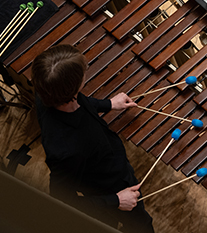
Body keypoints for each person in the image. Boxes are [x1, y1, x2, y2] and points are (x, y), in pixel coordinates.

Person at [31, 44, 154, 233]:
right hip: (109, 185)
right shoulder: (65, 150)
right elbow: (61, 199)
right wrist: (116, 200)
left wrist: (109, 104)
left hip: (109, 158)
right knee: (141, 225)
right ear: (73, 88)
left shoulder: (48, 91)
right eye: (83, 75)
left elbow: (79, 100)